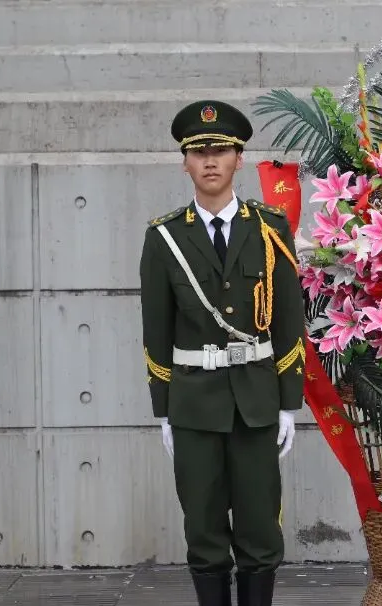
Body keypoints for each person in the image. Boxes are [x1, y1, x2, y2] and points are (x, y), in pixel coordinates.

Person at [139, 99, 306, 606]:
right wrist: (164, 412)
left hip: (255, 401)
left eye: (220, 151)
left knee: (260, 531)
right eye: (198, 152)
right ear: (185, 163)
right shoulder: (164, 237)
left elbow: (288, 320)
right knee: (204, 532)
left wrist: (288, 404)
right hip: (194, 406)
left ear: (239, 159)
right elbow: (156, 330)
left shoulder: (270, 228)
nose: (209, 161)